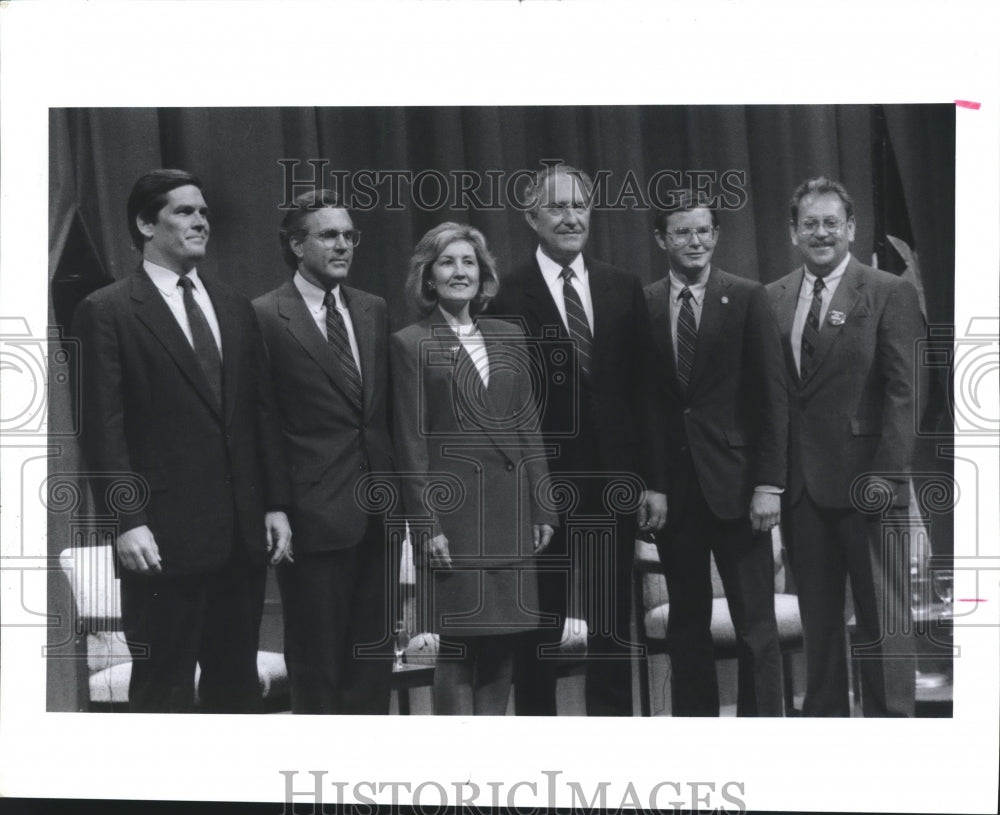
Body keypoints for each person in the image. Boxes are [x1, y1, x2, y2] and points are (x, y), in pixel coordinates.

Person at [71, 169, 292, 713]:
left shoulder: (235, 306)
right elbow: (102, 428)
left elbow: (260, 414)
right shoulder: (106, 311)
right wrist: (127, 522)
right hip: (159, 542)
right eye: (185, 212)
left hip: (240, 538)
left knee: (234, 689)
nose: (201, 222)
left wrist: (276, 505)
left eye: (205, 212)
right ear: (146, 223)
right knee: (162, 691)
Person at [490, 164, 667, 716]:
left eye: (580, 206)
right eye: (558, 207)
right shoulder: (505, 294)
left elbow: (646, 394)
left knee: (612, 619)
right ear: (532, 217)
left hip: (615, 485)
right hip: (543, 488)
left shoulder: (621, 285)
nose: (571, 217)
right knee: (540, 623)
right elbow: (505, 408)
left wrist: (652, 482)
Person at [767, 176, 924, 717]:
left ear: (852, 228)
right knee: (818, 619)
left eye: (832, 222)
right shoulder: (773, 298)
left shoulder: (888, 291)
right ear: (793, 232)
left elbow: (907, 393)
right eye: (809, 223)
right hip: (803, 490)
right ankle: (826, 730)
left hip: (870, 484)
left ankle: (891, 727)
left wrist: (888, 477)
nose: (821, 232)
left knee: (885, 617)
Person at [390, 222, 557, 715]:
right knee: (460, 650)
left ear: (482, 274)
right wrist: (427, 528)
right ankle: (457, 774)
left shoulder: (509, 334)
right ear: (428, 277)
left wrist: (543, 508)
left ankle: (491, 769)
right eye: (447, 262)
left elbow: (528, 426)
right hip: (455, 522)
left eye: (468, 262)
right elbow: (410, 443)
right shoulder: (409, 342)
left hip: (509, 514)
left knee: (503, 646)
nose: (459, 271)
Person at [644, 192, 787, 716]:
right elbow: (648, 407)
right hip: (677, 499)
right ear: (662, 239)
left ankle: (762, 737)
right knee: (687, 626)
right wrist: (653, 484)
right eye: (681, 232)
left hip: (741, 488)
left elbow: (772, 398)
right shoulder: (645, 301)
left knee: (756, 625)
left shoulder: (747, 297)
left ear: (717, 234)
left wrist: (769, 484)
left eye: (703, 230)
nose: (695, 241)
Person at [253, 189, 394, 714]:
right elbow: (261, 420)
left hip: (379, 515)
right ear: (295, 245)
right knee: (318, 668)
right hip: (311, 519)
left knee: (370, 669)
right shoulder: (265, 315)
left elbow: (382, 416)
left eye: (349, 235)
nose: (343, 245)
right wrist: (276, 504)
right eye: (329, 235)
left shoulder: (373, 308)